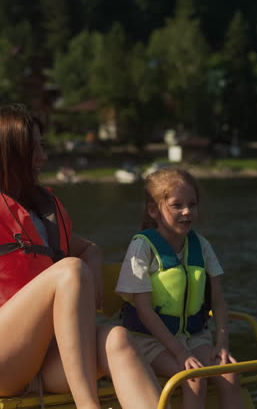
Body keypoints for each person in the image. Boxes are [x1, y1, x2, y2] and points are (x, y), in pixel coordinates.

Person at [0, 103, 161, 409]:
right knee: (70, 270)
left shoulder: (43, 210)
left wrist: (96, 263)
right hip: (5, 361)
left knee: (118, 339)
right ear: (9, 155)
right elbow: (71, 269)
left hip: (45, 361)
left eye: (42, 147)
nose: (43, 158)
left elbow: (87, 249)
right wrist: (80, 271)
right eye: (32, 150)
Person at [116, 166, 243, 409]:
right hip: (150, 341)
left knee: (230, 374)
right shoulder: (142, 248)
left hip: (194, 337)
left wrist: (222, 345)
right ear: (154, 210)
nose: (187, 212)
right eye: (177, 205)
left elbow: (218, 299)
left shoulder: (201, 245)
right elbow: (144, 310)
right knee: (193, 378)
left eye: (192, 204)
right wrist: (180, 353)